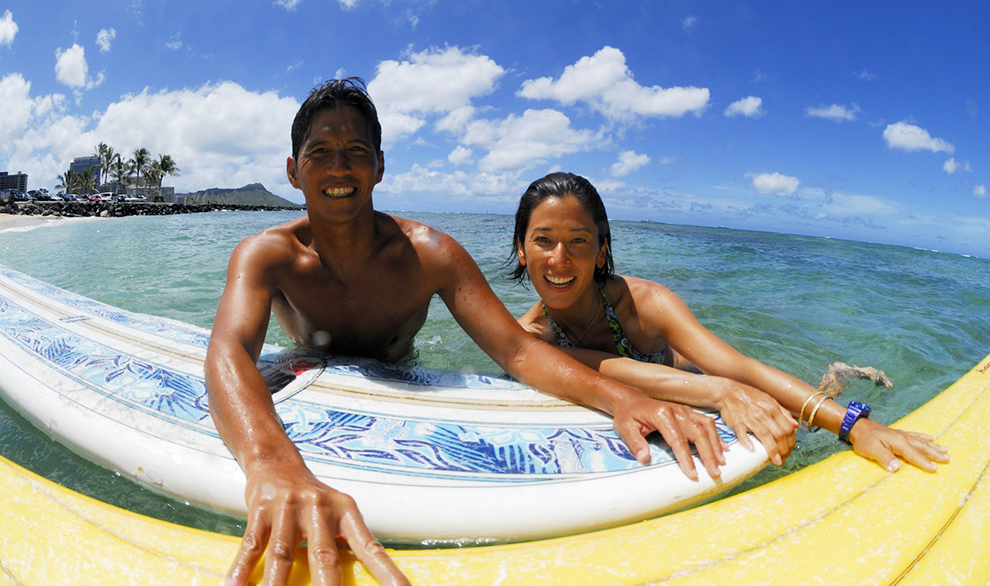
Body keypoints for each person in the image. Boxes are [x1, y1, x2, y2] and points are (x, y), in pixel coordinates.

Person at [204, 79, 730, 586]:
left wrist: (621, 399)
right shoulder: (266, 255)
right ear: (294, 171)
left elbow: (518, 349)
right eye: (320, 152)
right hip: (308, 367)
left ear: (380, 166)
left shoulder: (430, 255)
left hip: (397, 370)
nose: (339, 167)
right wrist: (271, 463)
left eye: (356, 150)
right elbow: (228, 350)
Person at [509, 171, 951, 473]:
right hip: (689, 392)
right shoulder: (529, 337)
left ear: (602, 251)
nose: (559, 259)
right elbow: (603, 370)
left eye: (578, 241)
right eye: (543, 241)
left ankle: (841, 380)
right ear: (523, 249)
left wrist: (856, 426)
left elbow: (738, 369)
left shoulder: (648, 304)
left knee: (788, 420)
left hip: (697, 379)